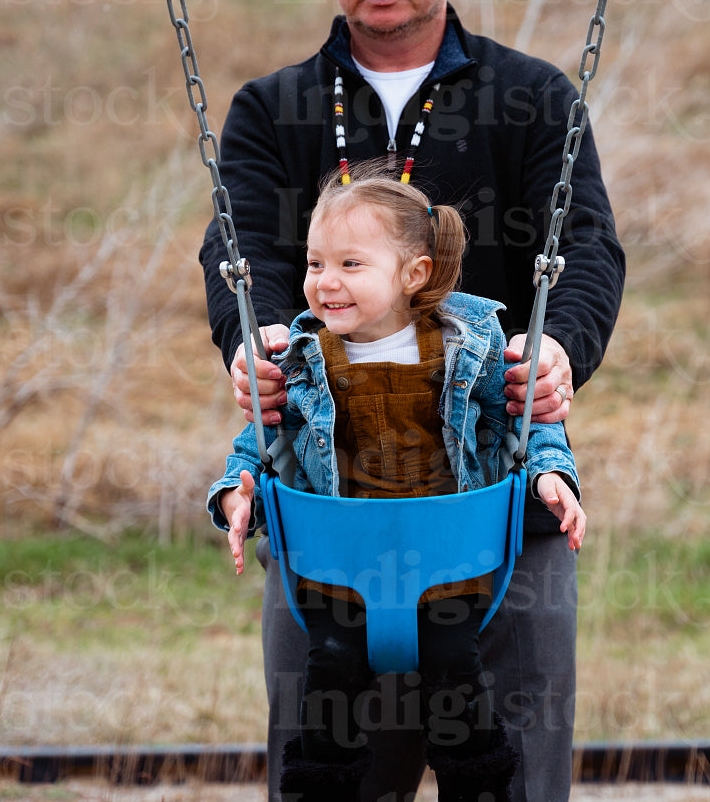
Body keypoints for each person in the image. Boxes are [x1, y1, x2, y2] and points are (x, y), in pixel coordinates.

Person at [200, 0, 625, 802]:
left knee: (508, 772)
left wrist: (557, 349)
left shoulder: (533, 97)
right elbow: (241, 258)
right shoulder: (274, 110)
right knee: (332, 773)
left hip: (500, 494)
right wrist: (257, 337)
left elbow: (588, 250)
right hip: (328, 507)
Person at [210, 172, 587, 801]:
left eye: (350, 264)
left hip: (446, 567)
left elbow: (522, 423)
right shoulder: (303, 353)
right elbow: (261, 439)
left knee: (456, 681)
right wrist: (237, 490)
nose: (325, 281)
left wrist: (551, 475)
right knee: (327, 680)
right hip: (339, 569)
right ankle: (321, 791)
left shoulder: (469, 345)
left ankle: (475, 788)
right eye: (315, 263)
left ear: (413, 273)